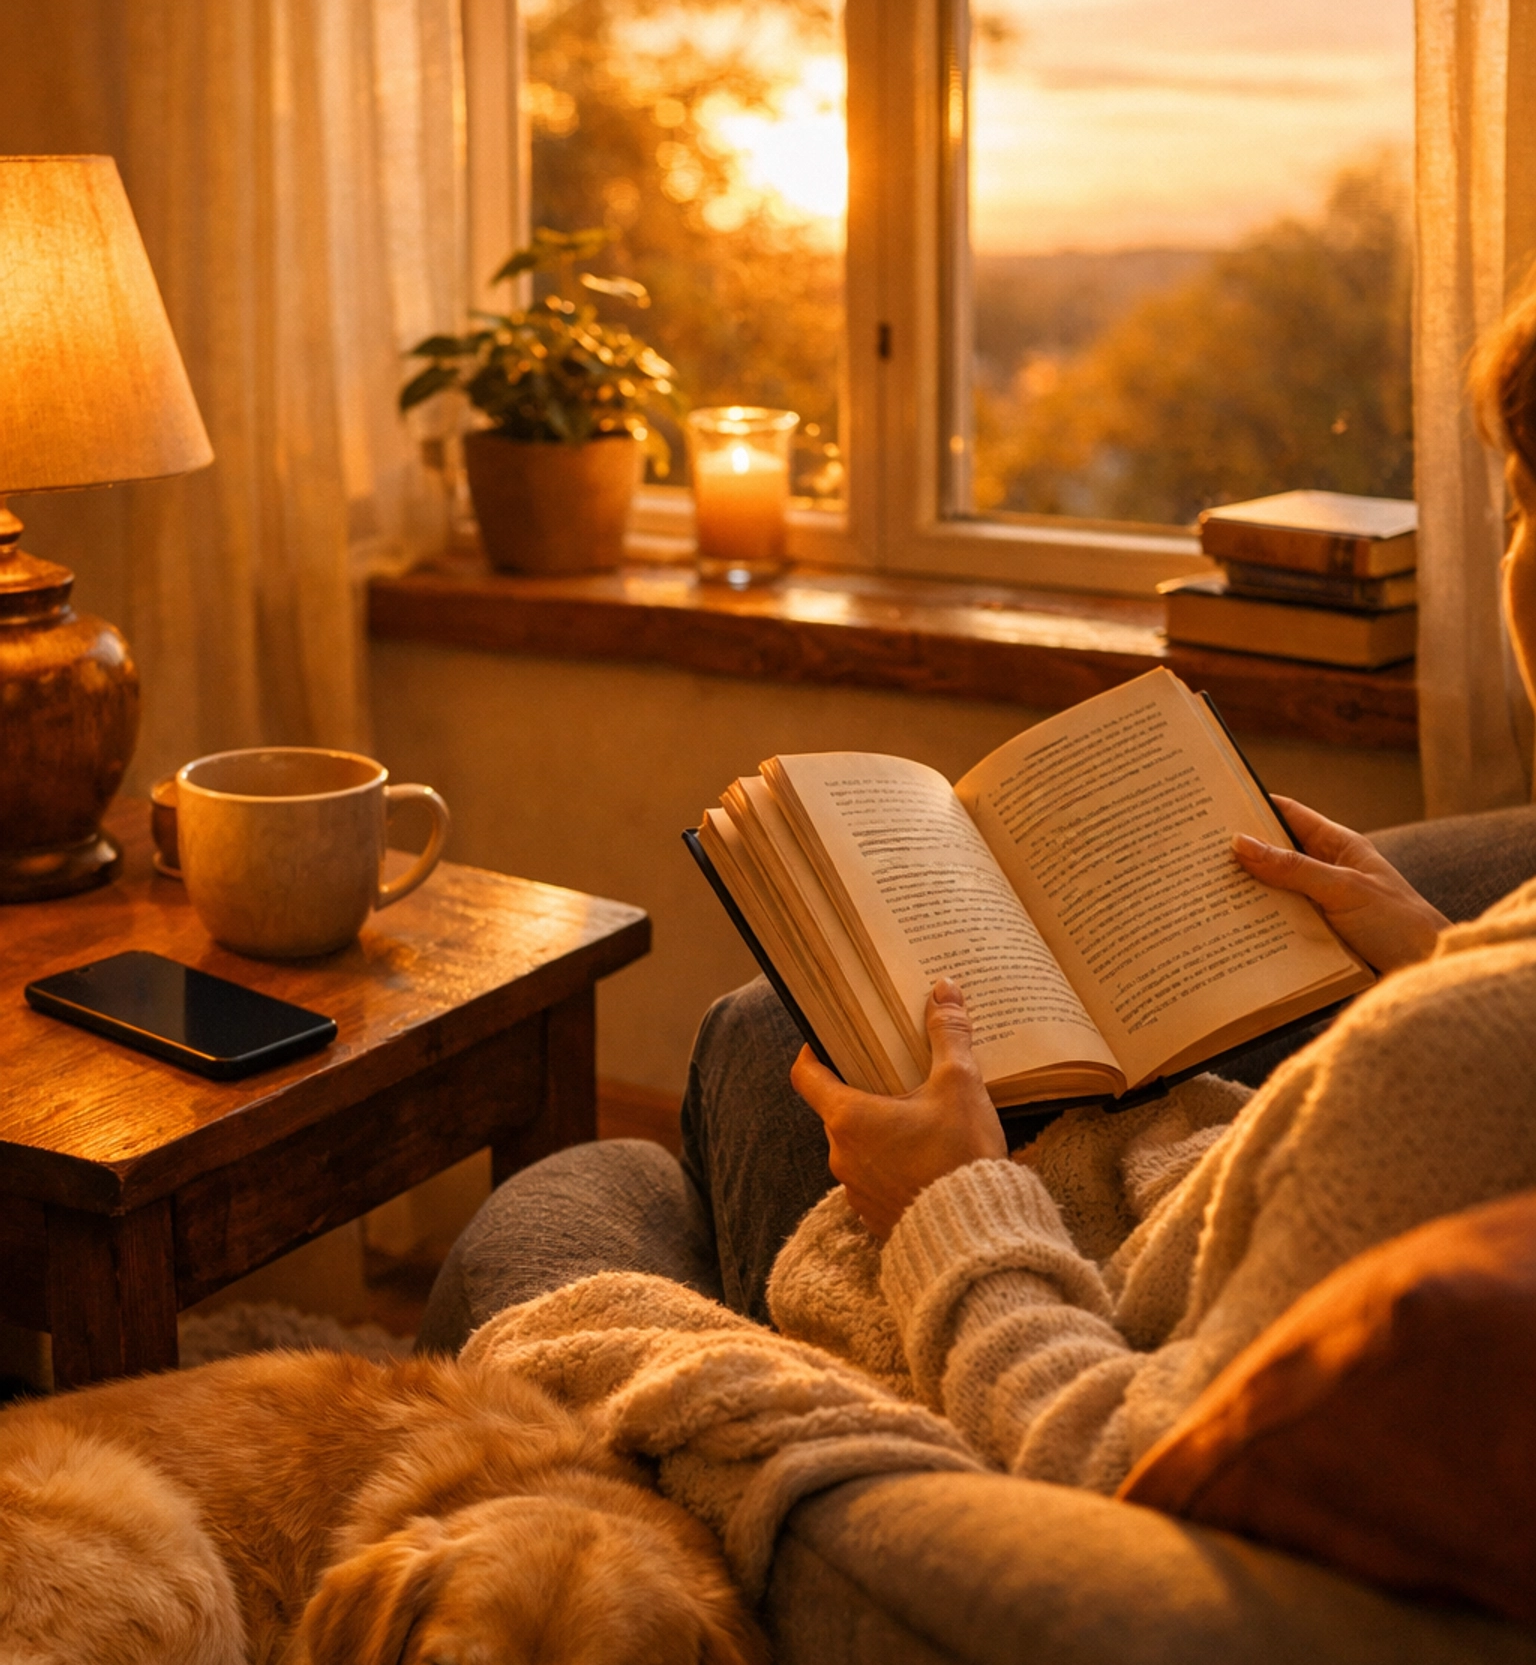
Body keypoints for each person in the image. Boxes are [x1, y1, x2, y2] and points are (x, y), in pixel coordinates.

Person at [422, 296, 1536, 1490]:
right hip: (1154, 1228)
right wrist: (1436, 949)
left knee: (558, 1212)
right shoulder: (1470, 1011)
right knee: (757, 1046)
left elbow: (1116, 1458)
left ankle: (681, 1533)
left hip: (1032, 1375)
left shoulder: (1430, 1075)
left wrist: (947, 1199)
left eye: (1517, 504)